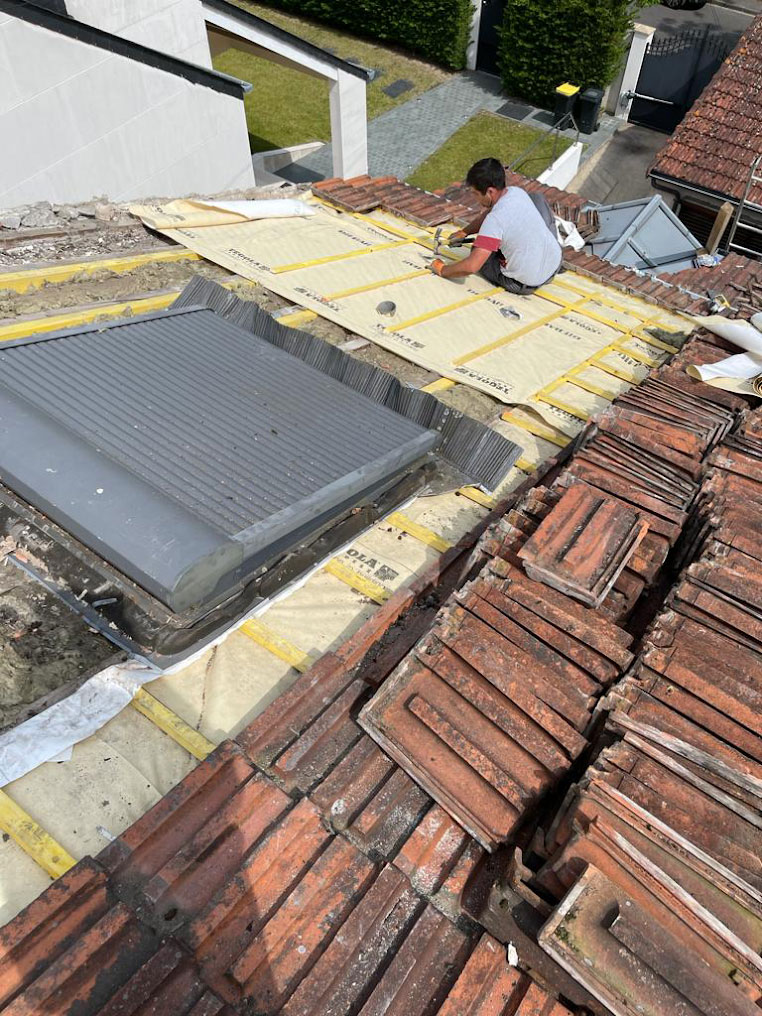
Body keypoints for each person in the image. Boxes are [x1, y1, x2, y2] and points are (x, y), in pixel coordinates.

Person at [430, 157, 562, 295]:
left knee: (478, 249)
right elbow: (489, 212)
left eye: (475, 194)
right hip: (554, 264)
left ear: (490, 192)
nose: (475, 199)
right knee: (536, 199)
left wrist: (442, 269)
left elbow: (471, 266)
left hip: (525, 283)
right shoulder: (516, 192)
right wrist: (464, 232)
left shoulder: (495, 220)